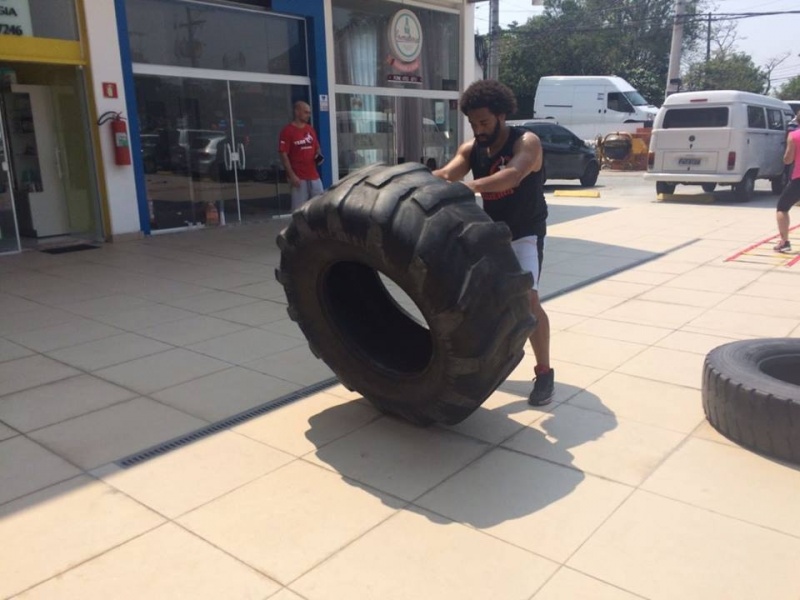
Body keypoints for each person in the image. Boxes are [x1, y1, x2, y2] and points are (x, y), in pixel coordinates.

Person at [433, 79, 554, 406]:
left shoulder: (527, 142)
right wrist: (414, 181)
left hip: (526, 233)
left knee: (528, 302)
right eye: (473, 123)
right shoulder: (472, 149)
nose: (478, 128)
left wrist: (470, 188)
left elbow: (513, 175)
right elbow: (447, 174)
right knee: (473, 301)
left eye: (484, 122)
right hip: (493, 232)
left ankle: (544, 372)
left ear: (502, 115)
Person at [279, 100, 324, 210]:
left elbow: (317, 147)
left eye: (309, 112)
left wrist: (319, 157)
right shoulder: (287, 131)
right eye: (305, 112)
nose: (308, 115)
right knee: (299, 210)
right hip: (299, 178)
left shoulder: (310, 129)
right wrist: (292, 175)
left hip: (314, 176)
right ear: (297, 112)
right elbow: (283, 155)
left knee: (319, 206)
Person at [774, 117, 800, 253]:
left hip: (799, 178)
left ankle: (784, 242)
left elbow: (788, 159)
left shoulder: (794, 135)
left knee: (782, 208)